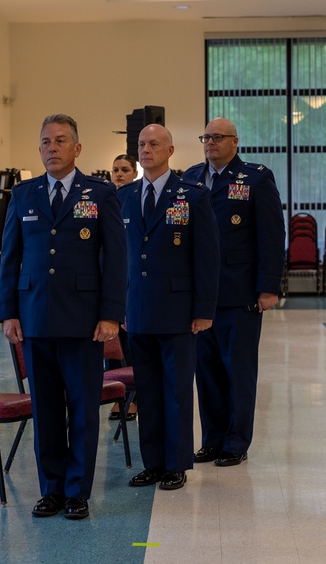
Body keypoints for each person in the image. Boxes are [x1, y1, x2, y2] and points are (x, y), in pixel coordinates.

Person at [0, 113, 126, 520]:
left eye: (60, 141)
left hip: (84, 322)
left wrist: (110, 315)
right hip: (34, 319)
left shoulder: (100, 193)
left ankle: (77, 492)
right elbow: (11, 258)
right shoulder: (24, 194)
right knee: (47, 409)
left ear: (77, 148)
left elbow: (116, 259)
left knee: (84, 410)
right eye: (46, 142)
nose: (52, 148)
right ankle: (51, 489)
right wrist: (8, 312)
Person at [120, 123, 219, 491]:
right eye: (142, 144)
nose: (146, 150)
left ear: (171, 151)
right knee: (148, 390)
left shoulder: (191, 195)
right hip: (138, 310)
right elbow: (117, 258)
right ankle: (154, 462)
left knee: (176, 388)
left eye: (154, 144)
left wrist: (204, 309)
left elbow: (207, 257)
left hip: (178, 309)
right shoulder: (125, 196)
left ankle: (176, 463)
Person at [183, 117, 285, 468]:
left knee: (238, 371)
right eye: (206, 137)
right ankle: (213, 438)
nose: (210, 142)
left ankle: (236, 441)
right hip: (199, 297)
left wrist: (269, 287)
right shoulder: (190, 178)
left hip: (239, 293)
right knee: (206, 372)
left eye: (217, 137)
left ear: (235, 142)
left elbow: (272, 236)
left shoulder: (256, 178)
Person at [108, 153, 138, 421]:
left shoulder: (135, 199)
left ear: (134, 173)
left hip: (131, 280)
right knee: (111, 344)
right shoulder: (105, 200)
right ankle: (116, 394)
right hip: (108, 280)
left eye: (124, 169)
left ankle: (134, 397)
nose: (118, 174)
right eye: (115, 170)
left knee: (129, 344)